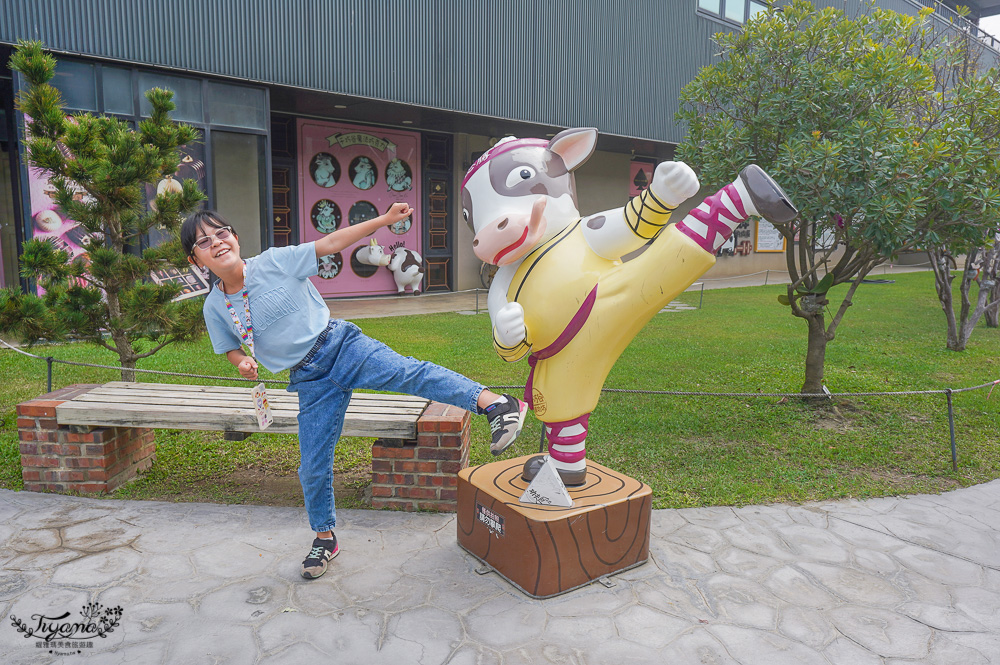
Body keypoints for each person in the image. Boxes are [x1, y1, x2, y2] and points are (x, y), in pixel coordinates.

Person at [182, 204, 527, 579]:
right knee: (312, 466)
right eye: (204, 241)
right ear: (195, 258)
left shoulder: (273, 262)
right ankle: (325, 538)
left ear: (234, 236)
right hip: (309, 380)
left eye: (221, 233)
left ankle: (498, 404)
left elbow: (330, 242)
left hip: (339, 346)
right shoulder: (215, 305)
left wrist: (383, 221)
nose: (216, 243)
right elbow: (229, 345)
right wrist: (240, 362)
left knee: (412, 374)